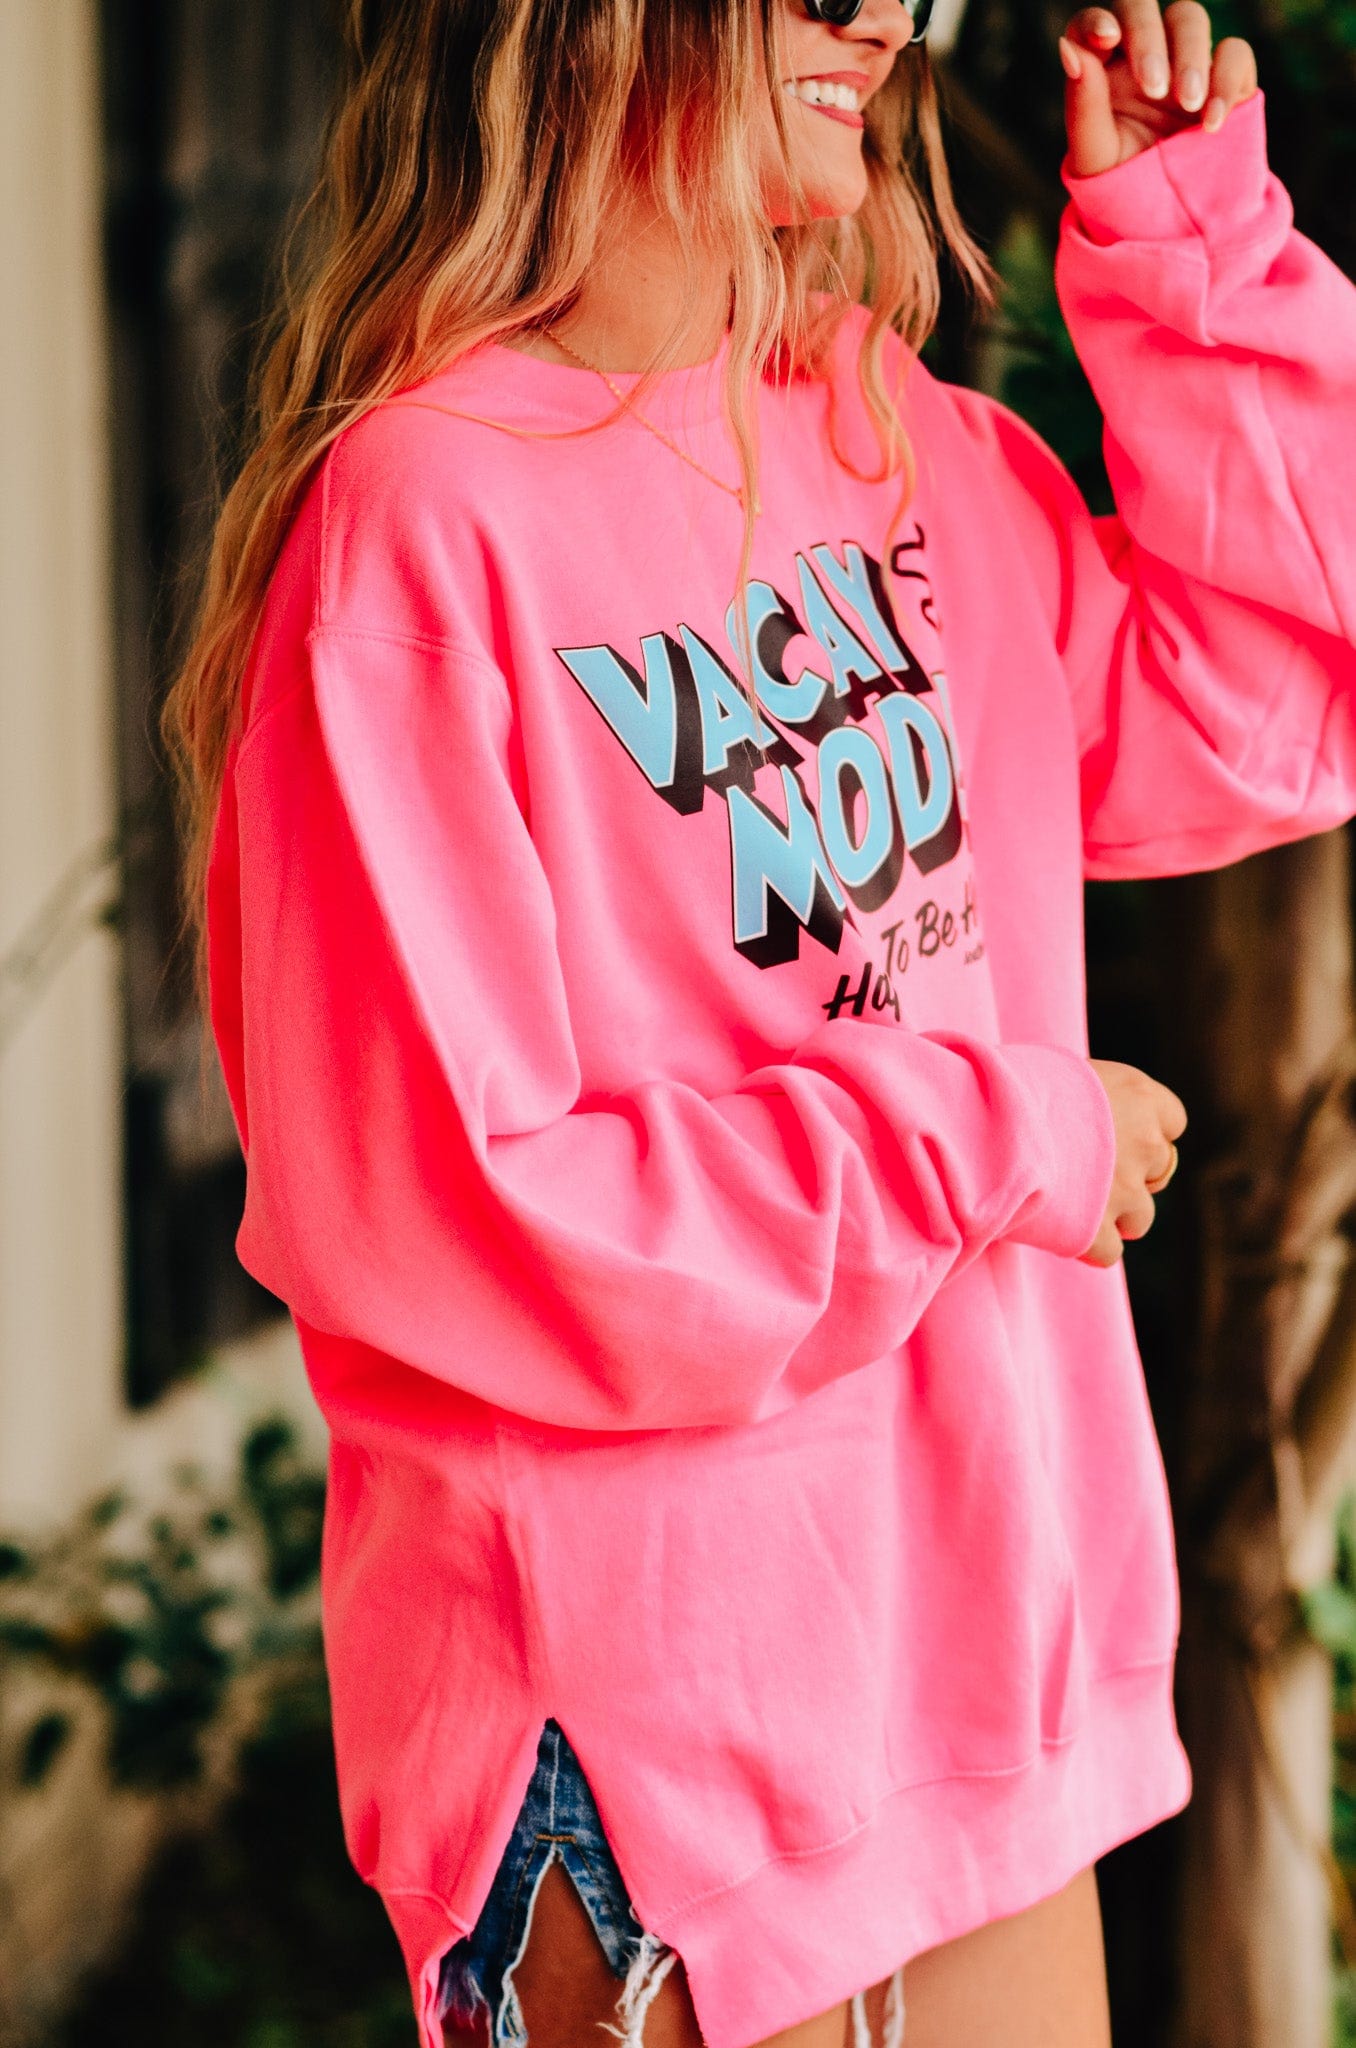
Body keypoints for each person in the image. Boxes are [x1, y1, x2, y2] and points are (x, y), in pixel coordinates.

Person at [164, 0, 1356, 2042]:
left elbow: (1284, 690)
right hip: (654, 1755)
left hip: (974, 1680)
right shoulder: (424, 522)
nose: (876, 10)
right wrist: (996, 1134)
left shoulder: (893, 439)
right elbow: (466, 1214)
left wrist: (1188, 236)